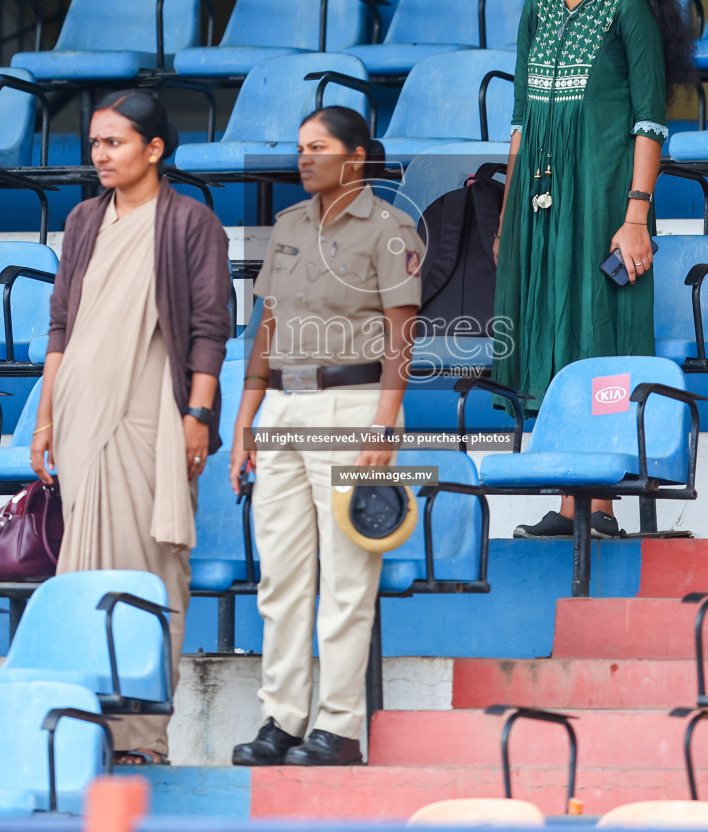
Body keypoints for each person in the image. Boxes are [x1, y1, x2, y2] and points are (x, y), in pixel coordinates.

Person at [490, 0, 695, 541]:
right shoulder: (537, 8)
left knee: (598, 331)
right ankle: (567, 494)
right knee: (549, 326)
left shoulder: (628, 7)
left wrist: (636, 216)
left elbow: (649, 123)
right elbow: (521, 121)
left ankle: (601, 503)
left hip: (605, 196)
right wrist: (506, 215)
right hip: (542, 202)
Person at [30, 90, 233, 765]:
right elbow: (63, 324)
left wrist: (198, 415)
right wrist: (45, 417)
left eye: (113, 142)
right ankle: (86, 732)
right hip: (82, 414)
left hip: (154, 414)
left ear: (155, 148)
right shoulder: (84, 220)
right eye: (94, 144)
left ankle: (143, 739)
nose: (100, 155)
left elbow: (210, 332)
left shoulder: (190, 223)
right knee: (84, 577)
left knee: (152, 572)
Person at [228, 106, 423, 767]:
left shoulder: (390, 227)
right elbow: (268, 326)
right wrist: (244, 419)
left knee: (345, 577)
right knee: (280, 578)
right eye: (299, 147)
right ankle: (280, 719)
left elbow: (403, 332)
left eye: (318, 147)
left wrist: (386, 422)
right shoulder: (286, 226)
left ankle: (337, 727)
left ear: (356, 157)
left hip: (354, 404)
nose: (303, 157)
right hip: (284, 407)